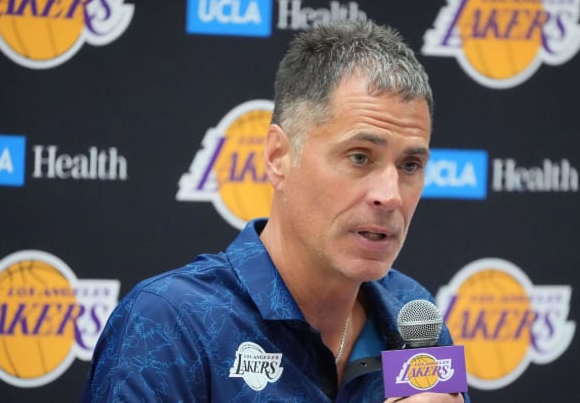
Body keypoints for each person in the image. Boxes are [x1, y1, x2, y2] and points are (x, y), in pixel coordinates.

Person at [82, 20, 469, 402]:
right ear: (278, 156)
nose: (391, 196)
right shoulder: (171, 321)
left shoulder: (413, 317)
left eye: (410, 166)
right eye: (359, 157)